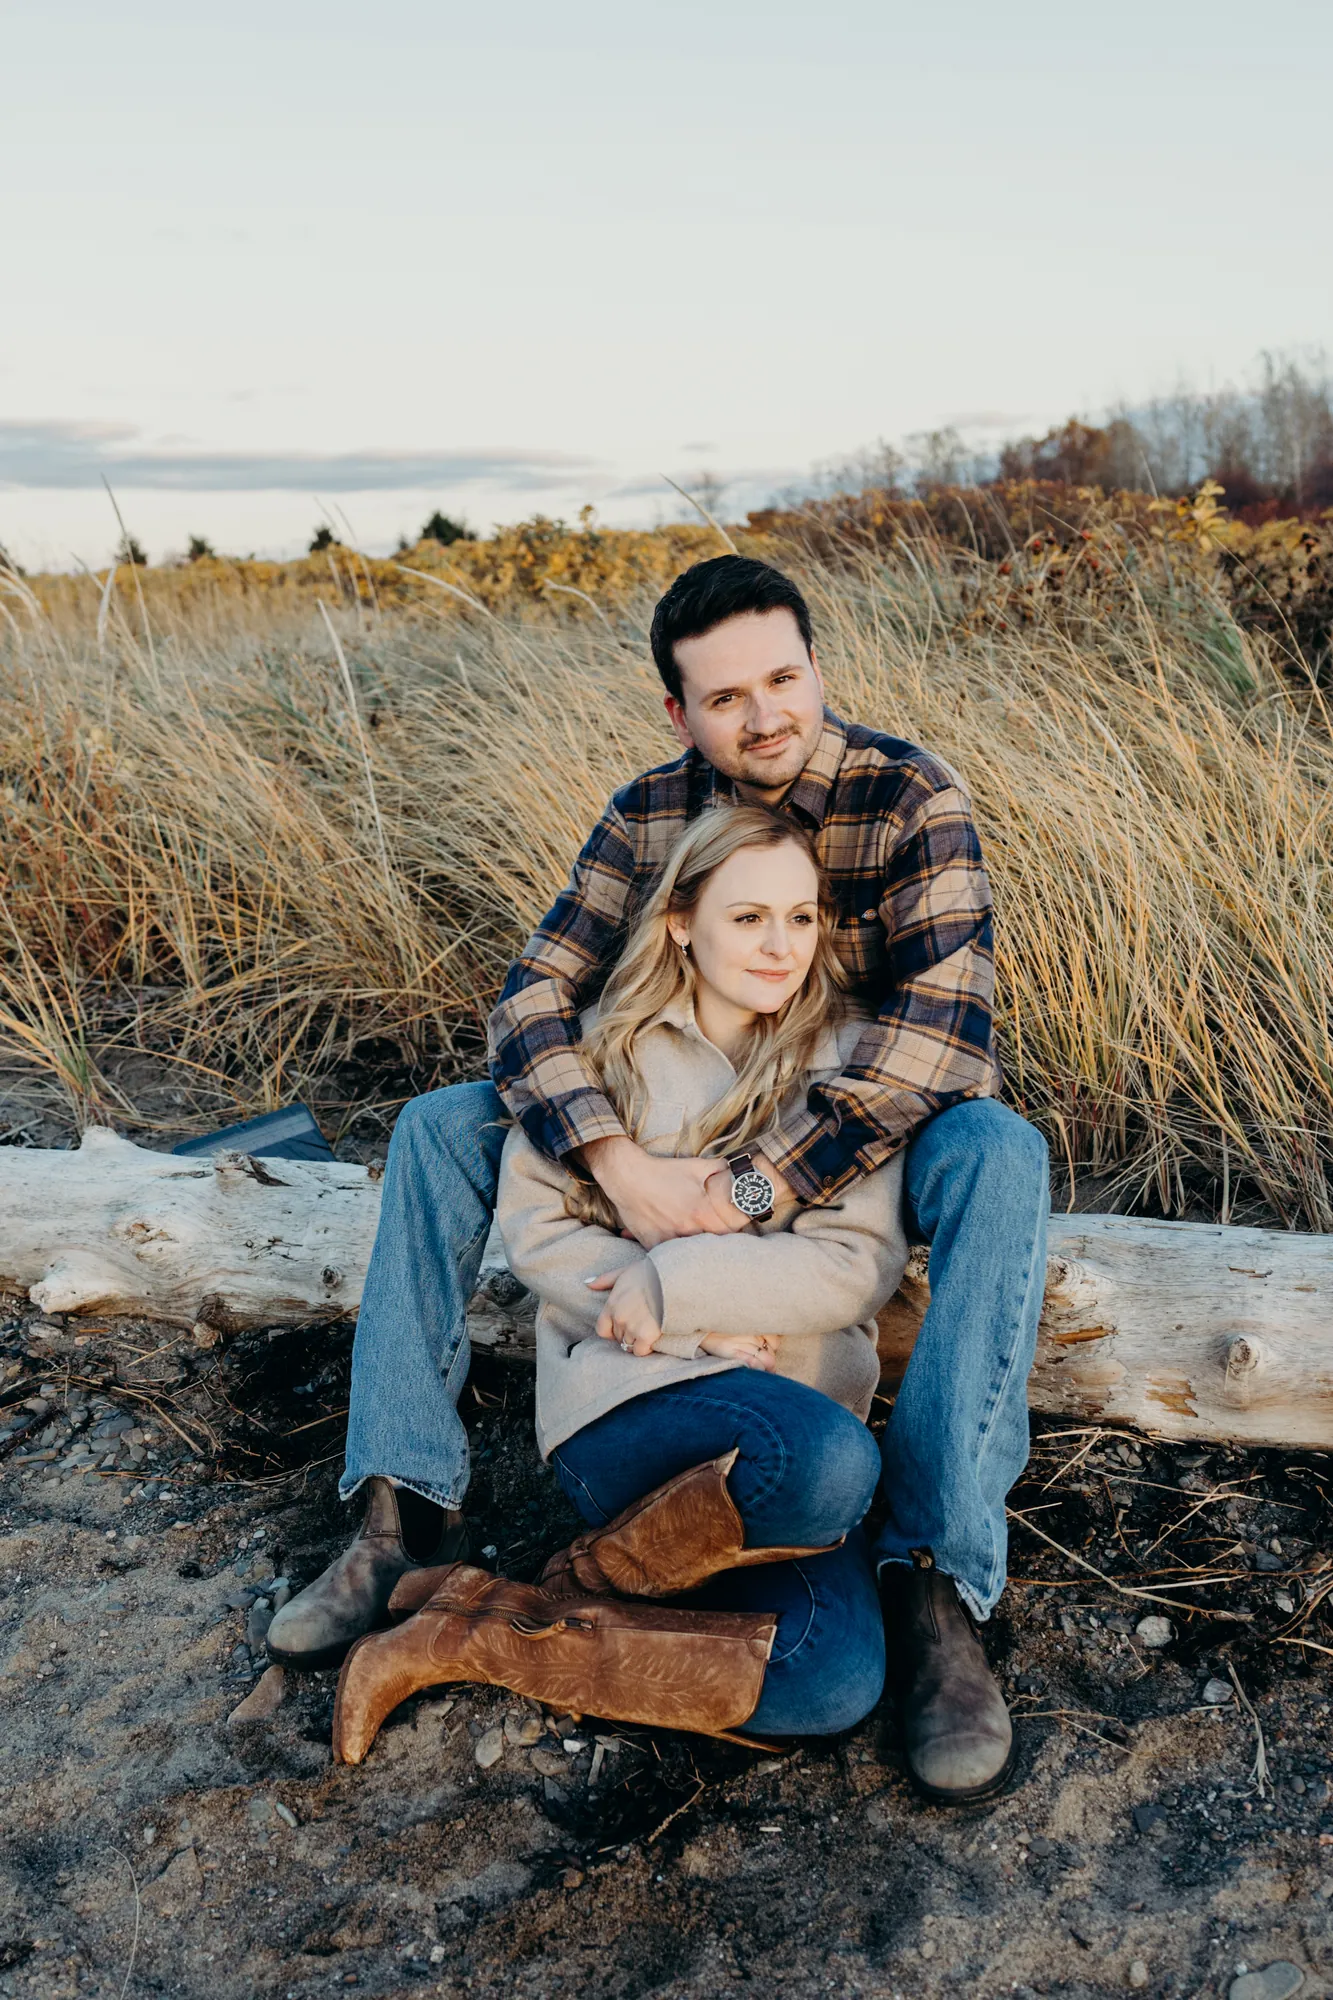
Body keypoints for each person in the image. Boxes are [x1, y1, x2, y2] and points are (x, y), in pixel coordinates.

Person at [268, 553, 1051, 1802]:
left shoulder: (908, 797)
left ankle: (939, 1581)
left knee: (1000, 1149)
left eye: (783, 678)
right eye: (725, 696)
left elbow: (936, 1051)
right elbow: (534, 995)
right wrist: (616, 1162)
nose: (764, 715)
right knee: (436, 1124)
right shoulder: (652, 811)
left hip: (865, 1119)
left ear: (815, 666)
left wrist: (725, 1208)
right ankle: (397, 1507)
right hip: (656, 1134)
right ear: (679, 711)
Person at [331, 808, 908, 1764]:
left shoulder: (850, 1068)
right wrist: (688, 1332)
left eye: (801, 920)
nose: (780, 947)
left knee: (829, 1678)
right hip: (626, 1400)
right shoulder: (600, 1054)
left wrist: (679, 1281)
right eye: (749, 917)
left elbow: (852, 1266)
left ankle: (482, 1628)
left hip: (795, 1413)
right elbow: (541, 1234)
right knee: (837, 1465)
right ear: (682, 920)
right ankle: (611, 1561)